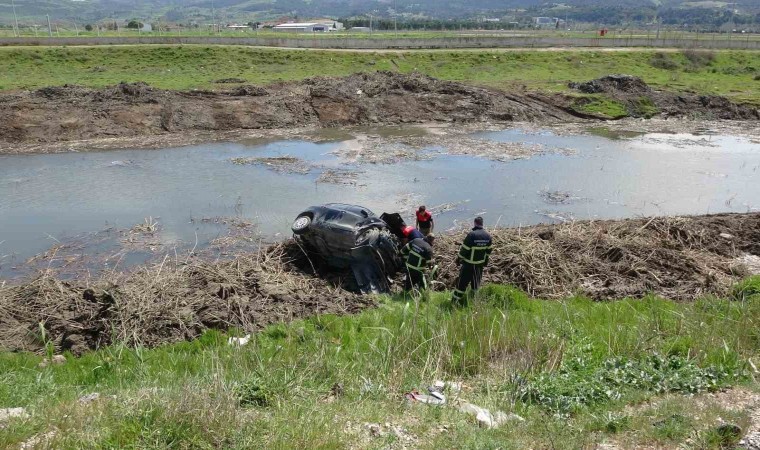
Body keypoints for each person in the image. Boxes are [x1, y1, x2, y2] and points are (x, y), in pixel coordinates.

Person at [452, 216, 492, 306]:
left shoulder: (472, 235)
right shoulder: (488, 236)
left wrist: (458, 259)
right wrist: (485, 261)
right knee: (476, 284)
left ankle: (454, 302)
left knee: (461, 284)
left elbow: (464, 250)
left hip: (468, 265)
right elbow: (488, 251)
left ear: (475, 223)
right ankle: (473, 302)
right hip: (479, 266)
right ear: (482, 224)